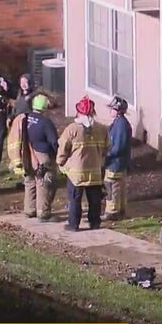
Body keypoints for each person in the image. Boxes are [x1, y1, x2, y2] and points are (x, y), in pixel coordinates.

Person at [56, 96, 109, 231]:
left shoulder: (72, 129)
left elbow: (63, 148)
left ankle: (74, 224)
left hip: (76, 174)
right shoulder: (101, 129)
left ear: (78, 111)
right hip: (95, 171)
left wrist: (60, 162)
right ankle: (95, 223)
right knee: (94, 200)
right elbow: (107, 148)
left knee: (75, 199)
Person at [21, 95, 60, 221]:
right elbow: (54, 141)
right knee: (44, 182)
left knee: (30, 181)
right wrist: (58, 154)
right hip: (43, 155)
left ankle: (29, 209)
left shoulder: (25, 119)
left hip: (28, 153)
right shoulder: (45, 122)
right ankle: (43, 213)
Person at [103, 96, 132, 222]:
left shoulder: (121, 125)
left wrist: (106, 154)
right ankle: (120, 210)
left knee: (111, 186)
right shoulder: (120, 123)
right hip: (119, 162)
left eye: (112, 109)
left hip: (115, 163)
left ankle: (112, 211)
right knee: (119, 186)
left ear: (118, 111)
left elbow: (118, 146)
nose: (110, 111)